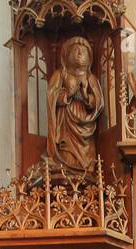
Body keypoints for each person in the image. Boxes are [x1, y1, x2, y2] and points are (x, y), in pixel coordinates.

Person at [47, 36, 103, 173]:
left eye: (83, 51)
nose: (79, 53)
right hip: (66, 124)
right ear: (66, 55)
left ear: (89, 57)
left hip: (85, 125)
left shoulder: (90, 78)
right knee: (67, 153)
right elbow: (51, 96)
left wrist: (85, 95)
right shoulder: (61, 74)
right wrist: (68, 94)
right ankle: (66, 172)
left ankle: (86, 174)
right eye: (75, 50)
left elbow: (98, 103)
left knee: (86, 156)